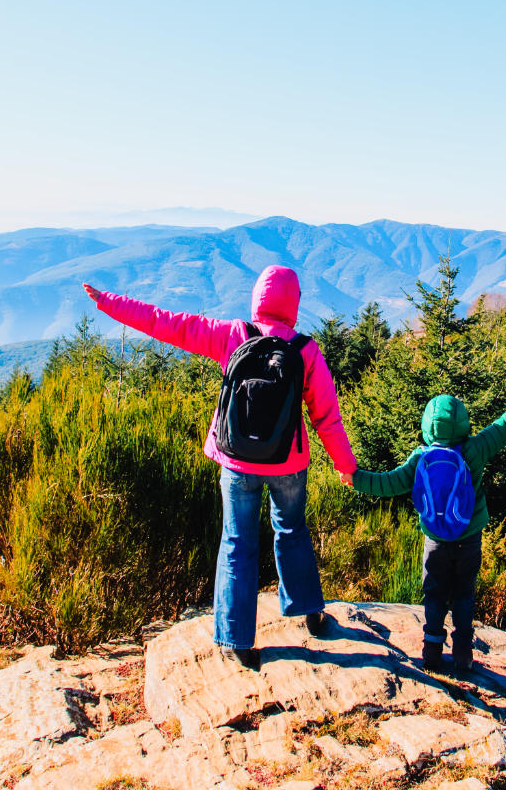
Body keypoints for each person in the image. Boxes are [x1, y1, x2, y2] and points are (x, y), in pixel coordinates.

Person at [83, 266, 356, 671]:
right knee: (292, 530)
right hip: (288, 463)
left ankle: (236, 641)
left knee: (236, 544)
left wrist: (109, 303)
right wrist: (345, 465)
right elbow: (326, 417)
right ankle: (310, 615)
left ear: (257, 298)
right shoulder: (305, 351)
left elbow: (166, 323)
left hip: (236, 460)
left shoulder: (232, 335)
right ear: (294, 303)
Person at [344, 384, 506, 672]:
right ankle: (463, 653)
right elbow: (501, 429)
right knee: (464, 593)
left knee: (434, 593)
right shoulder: (474, 450)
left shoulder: (421, 458)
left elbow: (389, 482)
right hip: (469, 537)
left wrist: (356, 479)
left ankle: (431, 651)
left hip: (435, 540)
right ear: (463, 423)